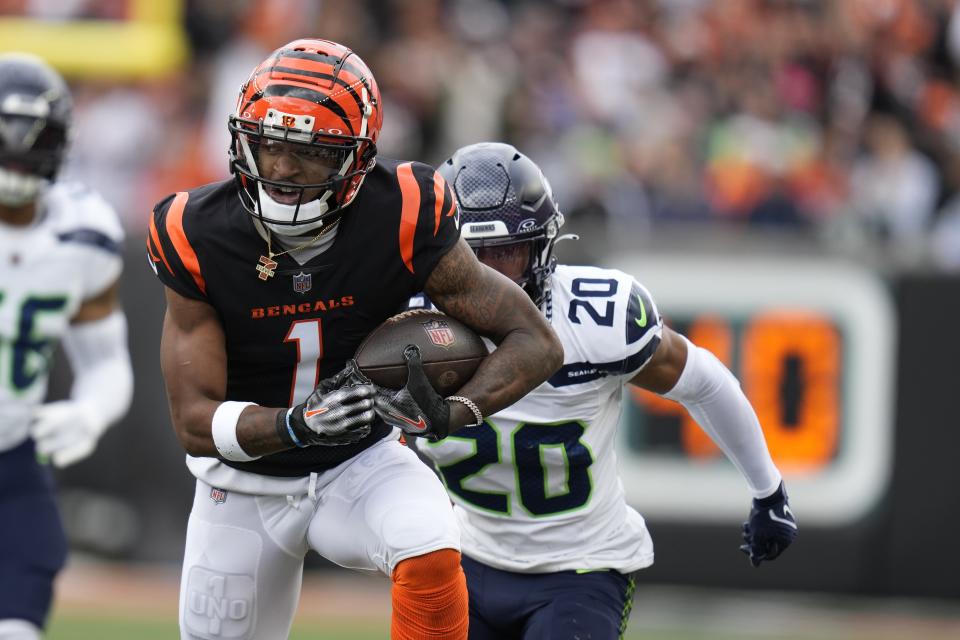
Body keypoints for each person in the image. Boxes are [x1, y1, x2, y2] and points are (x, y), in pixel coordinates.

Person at [146, 39, 562, 640]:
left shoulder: (405, 211)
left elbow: (535, 341)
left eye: (310, 153)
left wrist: (454, 411)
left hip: (357, 464)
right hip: (240, 485)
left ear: (357, 159)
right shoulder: (194, 232)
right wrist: (296, 425)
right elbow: (192, 419)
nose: (283, 170)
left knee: (431, 544)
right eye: (269, 144)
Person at [409, 142, 799, 640]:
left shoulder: (594, 318)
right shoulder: (410, 322)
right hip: (467, 554)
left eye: (505, 254)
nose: (489, 277)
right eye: (472, 256)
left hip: (582, 566)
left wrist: (768, 488)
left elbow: (703, 380)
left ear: (542, 246)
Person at [0, 54, 133, 640]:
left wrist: (90, 410)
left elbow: (105, 362)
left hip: (13, 459)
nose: (15, 153)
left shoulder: (84, 233)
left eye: (32, 137)